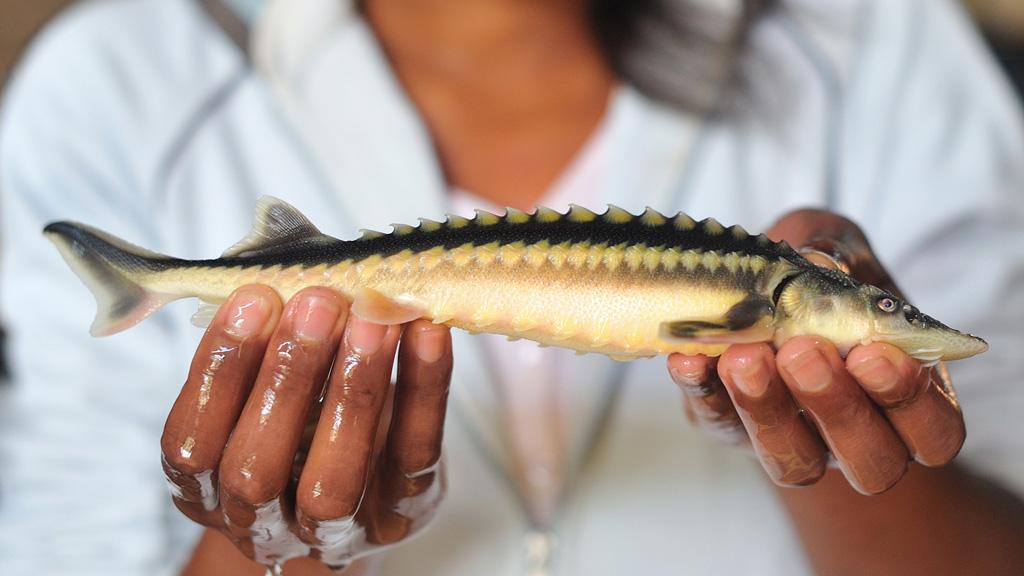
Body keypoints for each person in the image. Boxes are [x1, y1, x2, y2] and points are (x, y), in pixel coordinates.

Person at [1, 0, 1023, 574]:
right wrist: (266, 545)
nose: (896, 324)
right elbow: (67, 541)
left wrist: (851, 453)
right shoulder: (121, 81)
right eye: (881, 313)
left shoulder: (873, 40)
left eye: (880, 312)